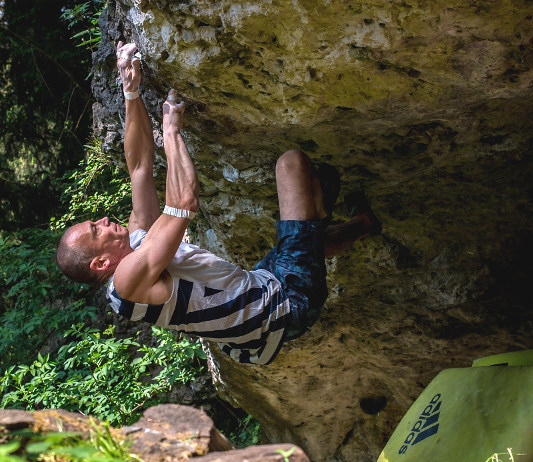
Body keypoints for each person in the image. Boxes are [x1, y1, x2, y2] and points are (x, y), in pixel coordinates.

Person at [56, 41, 380, 365]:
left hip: (260, 287)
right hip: (285, 304)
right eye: (95, 231)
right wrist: (170, 132)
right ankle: (320, 213)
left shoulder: (134, 246)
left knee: (303, 246)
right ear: (99, 264)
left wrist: (131, 90)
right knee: (292, 164)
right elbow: (184, 202)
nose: (101, 221)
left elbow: (139, 166)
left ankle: (364, 223)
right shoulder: (127, 280)